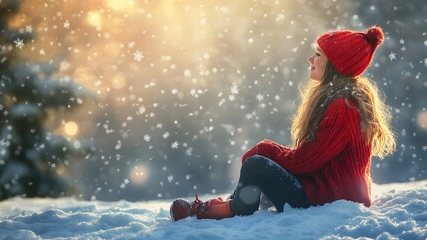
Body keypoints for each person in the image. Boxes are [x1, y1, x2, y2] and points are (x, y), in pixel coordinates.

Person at [169, 26, 396, 221]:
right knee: (260, 164)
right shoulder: (340, 99)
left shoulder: (343, 107)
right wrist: (269, 152)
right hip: (328, 192)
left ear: (335, 66)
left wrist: (266, 150)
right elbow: (313, 159)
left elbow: (307, 160)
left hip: (329, 199)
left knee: (255, 164)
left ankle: (227, 209)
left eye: (318, 55)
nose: (311, 59)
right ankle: (229, 203)